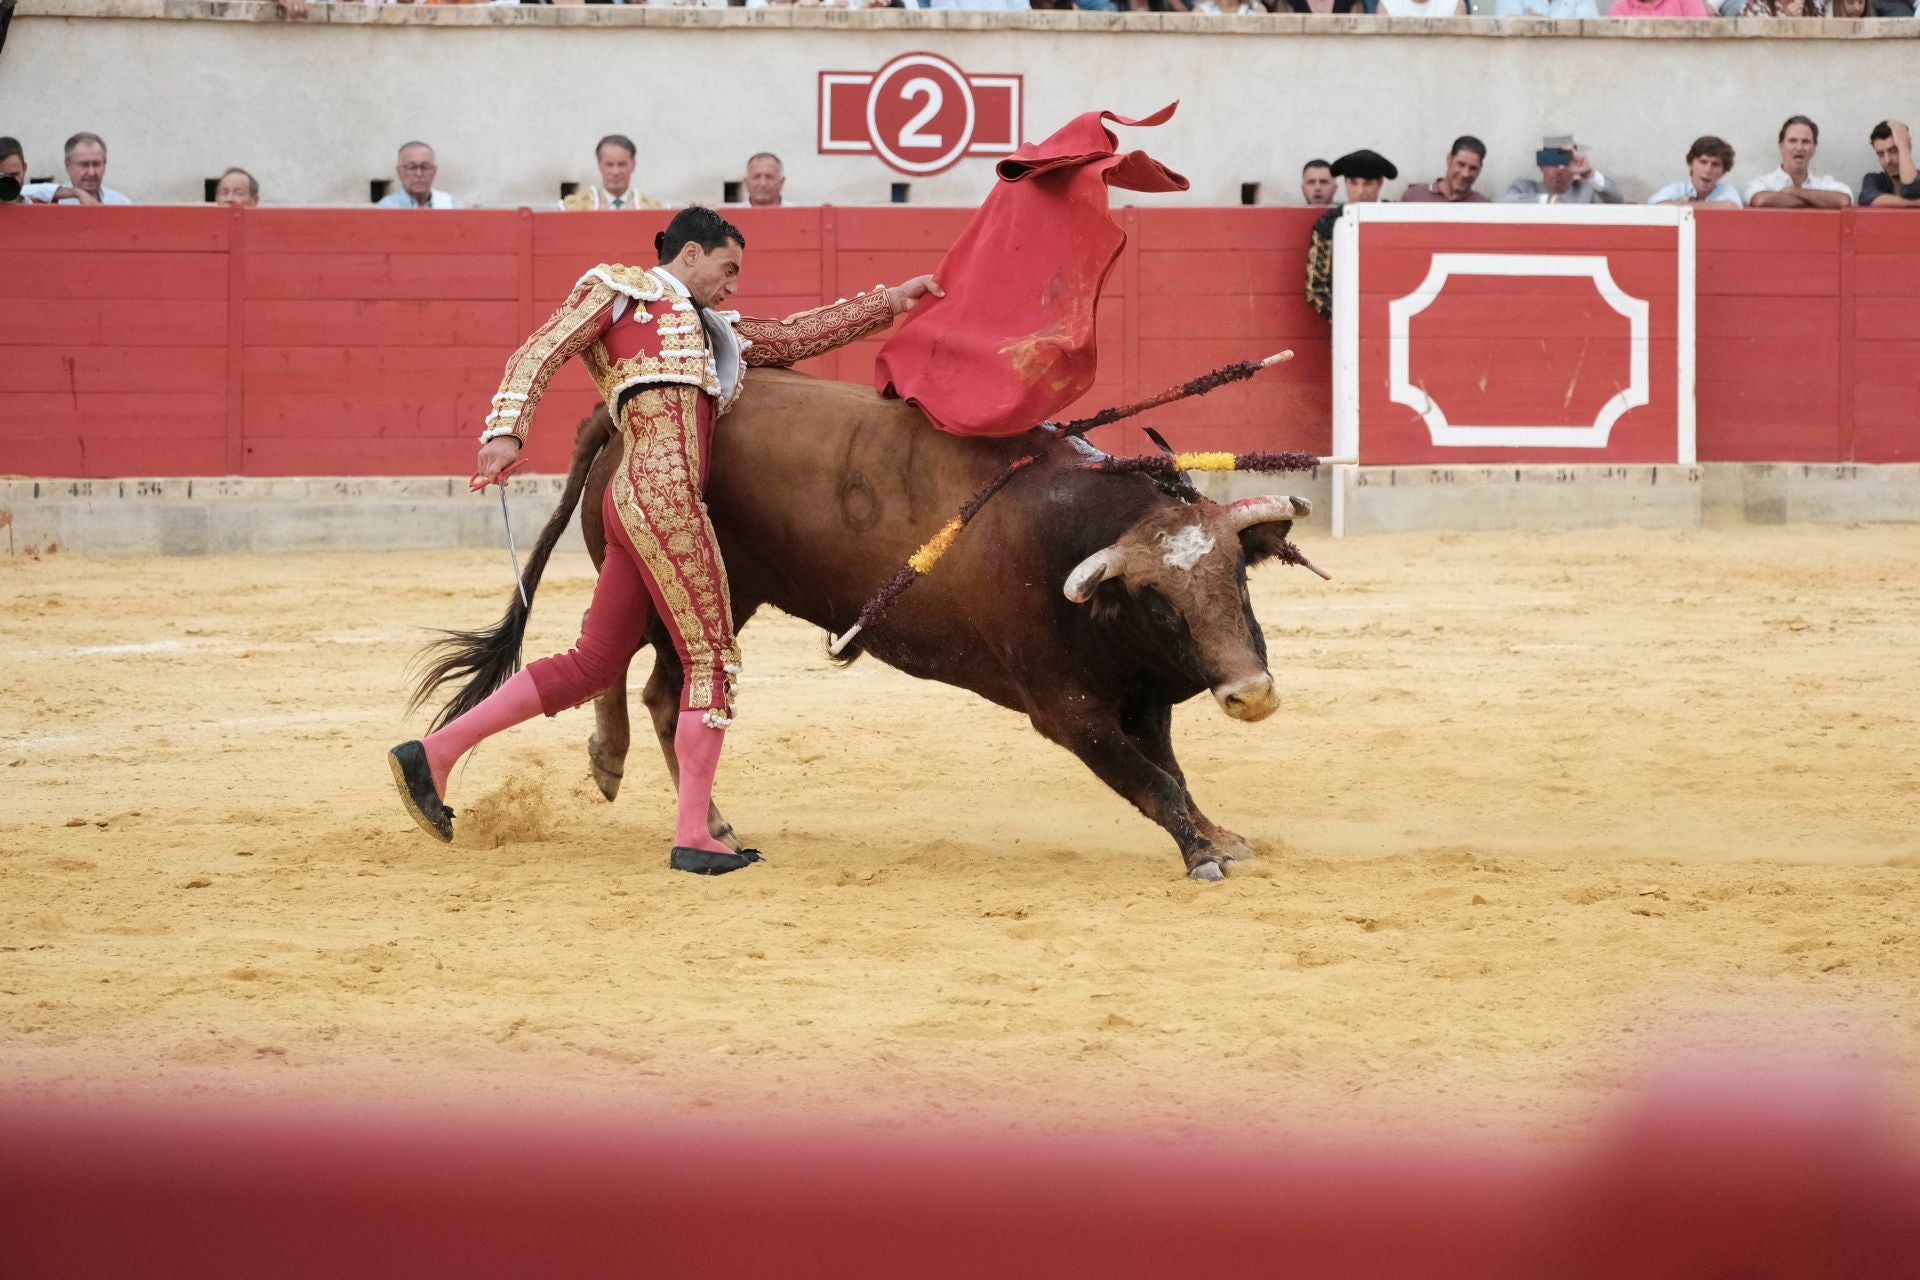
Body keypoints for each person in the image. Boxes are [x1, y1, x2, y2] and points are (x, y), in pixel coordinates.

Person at [389, 207, 942, 876]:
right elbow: (542, 347)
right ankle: (694, 836)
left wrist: (890, 302)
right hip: (665, 499)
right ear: (688, 253)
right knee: (711, 659)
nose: (734, 284)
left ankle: (434, 756)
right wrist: (505, 432)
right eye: (727, 266)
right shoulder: (622, 292)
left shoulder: (715, 332)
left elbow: (794, 336)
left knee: (594, 663)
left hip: (636, 503)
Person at [1305, 149, 1396, 321]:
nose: (1360, 191)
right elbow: (1315, 289)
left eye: (1367, 183)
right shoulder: (1329, 224)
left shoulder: (1398, 218)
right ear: (1345, 183)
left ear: (1380, 184)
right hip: (1347, 323)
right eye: (1354, 183)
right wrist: (1347, 322)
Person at [1744, 117, 1851, 209]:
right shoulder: (1762, 183)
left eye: (1805, 141)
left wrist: (1793, 191)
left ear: (1814, 148)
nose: (1799, 148)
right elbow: (1761, 201)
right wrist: (1819, 202)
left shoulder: (1825, 183)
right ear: (1781, 146)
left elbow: (1844, 201)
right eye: (1793, 141)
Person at [1500, 137, 1626, 204]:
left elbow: (1618, 201)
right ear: (1541, 165)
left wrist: (1589, 174)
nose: (1560, 167)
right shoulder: (1524, 187)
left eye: (1566, 159)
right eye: (1552, 160)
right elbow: (1505, 201)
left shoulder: (1587, 191)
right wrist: (1548, 200)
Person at [560, 134, 665, 212]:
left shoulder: (653, 208)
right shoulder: (574, 207)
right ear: (599, 165)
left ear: (633, 165)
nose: (615, 172)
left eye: (622, 164)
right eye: (609, 164)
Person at [20, 132, 131, 205]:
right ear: (68, 166)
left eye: (96, 164)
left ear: (105, 164)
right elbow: (19, 192)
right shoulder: (52, 201)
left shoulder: (121, 203)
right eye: (84, 164)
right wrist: (75, 193)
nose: (91, 172)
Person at [1649, 136, 1742, 208]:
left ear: (1723, 171)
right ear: (1691, 164)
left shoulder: (1726, 190)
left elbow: (1731, 206)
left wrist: (1683, 203)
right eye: (1703, 162)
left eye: (1715, 164)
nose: (1708, 170)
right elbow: (1653, 205)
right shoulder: (1678, 188)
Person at [1401, 136, 1490, 203]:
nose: (1465, 174)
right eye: (1461, 164)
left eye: (1473, 168)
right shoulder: (1414, 196)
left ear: (1480, 169)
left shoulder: (1484, 206)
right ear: (1449, 160)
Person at [377, 142, 459, 209]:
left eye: (425, 167)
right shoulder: (387, 208)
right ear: (399, 172)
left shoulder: (449, 204)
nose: (419, 174)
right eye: (411, 167)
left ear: (434, 171)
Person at [1860, 120, 1920, 209]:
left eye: (1893, 151)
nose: (1887, 160)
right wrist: (1916, 203)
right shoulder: (1875, 180)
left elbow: (1911, 191)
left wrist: (1903, 146)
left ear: (1908, 148)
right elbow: (1868, 198)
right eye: (1880, 154)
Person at [0, 137, 26, 204]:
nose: (8, 182)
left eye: (13, 175)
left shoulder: (36, 210)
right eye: (1, 175)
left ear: (24, 169)